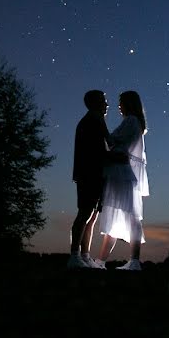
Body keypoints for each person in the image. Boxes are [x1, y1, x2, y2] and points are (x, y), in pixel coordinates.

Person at [95, 90, 149, 271]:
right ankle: (101, 261)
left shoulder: (131, 121)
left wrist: (101, 124)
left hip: (121, 174)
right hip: (120, 173)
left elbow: (113, 142)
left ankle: (134, 261)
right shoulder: (133, 122)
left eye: (121, 102)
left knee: (129, 216)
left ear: (129, 103)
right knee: (117, 216)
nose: (118, 106)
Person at [68, 90, 113, 269]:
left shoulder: (92, 120)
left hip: (91, 173)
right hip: (90, 174)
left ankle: (84, 255)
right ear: (95, 103)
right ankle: (74, 255)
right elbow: (100, 148)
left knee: (91, 215)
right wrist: (116, 157)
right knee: (85, 213)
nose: (107, 105)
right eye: (104, 101)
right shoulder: (94, 120)